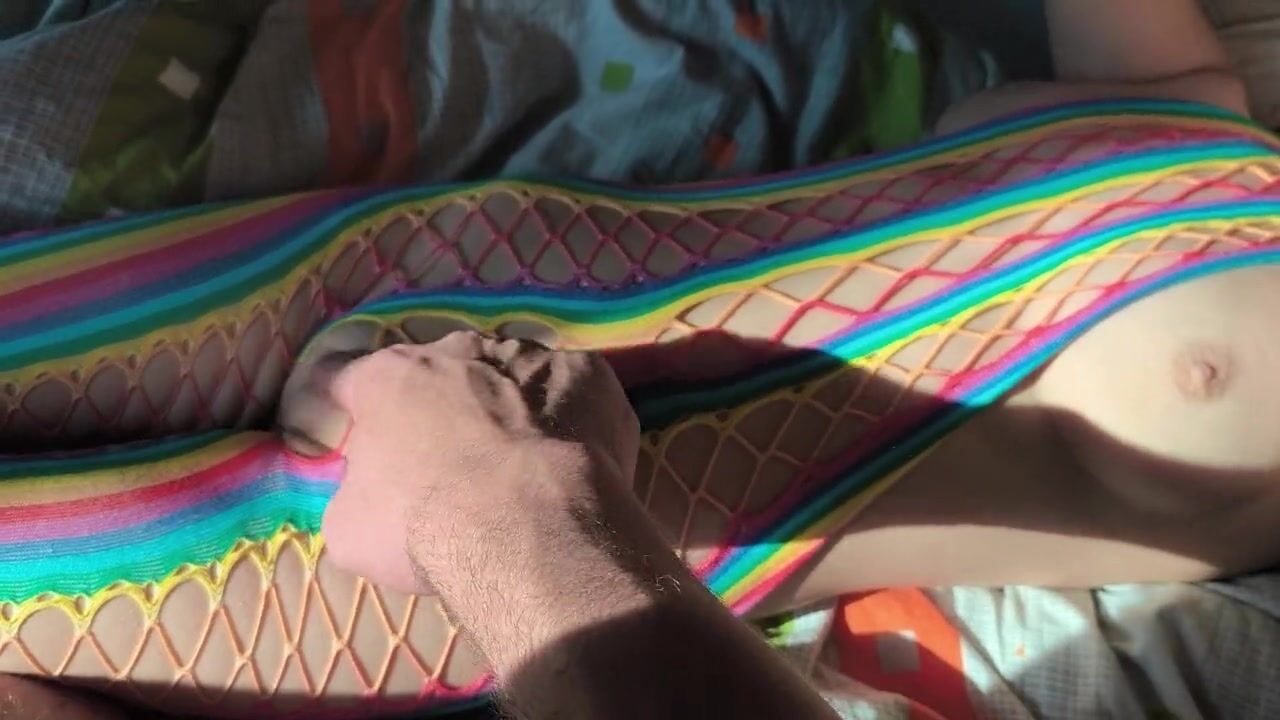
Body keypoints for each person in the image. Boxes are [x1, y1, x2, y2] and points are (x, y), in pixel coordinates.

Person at [0, 0, 1266, 717]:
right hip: (442, 262)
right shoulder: (1196, 106)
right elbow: (1167, 64)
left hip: (634, 498)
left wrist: (500, 502)